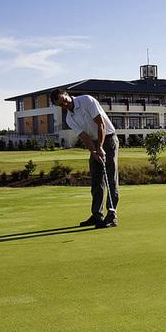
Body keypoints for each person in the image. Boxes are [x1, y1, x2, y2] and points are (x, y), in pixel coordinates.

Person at [50, 89, 119, 228]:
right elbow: (84, 137)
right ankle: (97, 215)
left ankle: (111, 215)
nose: (65, 105)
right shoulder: (69, 118)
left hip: (108, 139)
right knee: (96, 180)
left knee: (110, 178)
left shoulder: (87, 100)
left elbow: (101, 124)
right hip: (94, 142)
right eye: (61, 105)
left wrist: (100, 147)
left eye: (65, 100)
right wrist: (94, 151)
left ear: (67, 95)